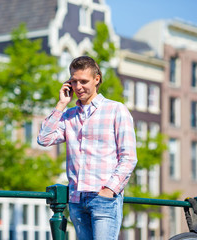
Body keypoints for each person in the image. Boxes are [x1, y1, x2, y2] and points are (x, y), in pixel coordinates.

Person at [37, 56, 137, 240]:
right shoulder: (68, 115)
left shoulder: (116, 110)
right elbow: (44, 139)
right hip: (76, 200)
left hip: (104, 198)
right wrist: (61, 104)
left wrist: (108, 191)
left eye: (83, 81)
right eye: (74, 81)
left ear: (96, 79)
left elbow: (129, 157)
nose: (78, 87)